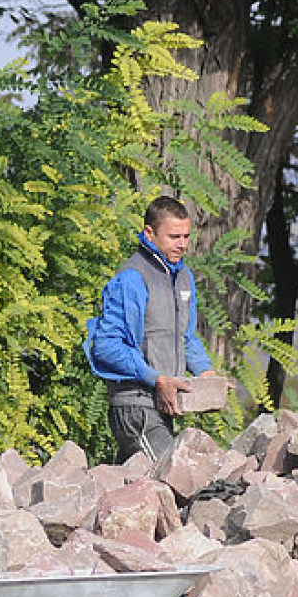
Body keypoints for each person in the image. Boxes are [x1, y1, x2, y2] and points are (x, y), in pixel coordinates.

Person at [85, 195, 222, 463]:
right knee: (174, 477)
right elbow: (105, 345)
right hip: (135, 408)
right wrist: (157, 379)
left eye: (185, 236)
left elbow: (186, 337)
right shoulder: (132, 278)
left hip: (164, 408)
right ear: (149, 232)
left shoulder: (184, 278)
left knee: (135, 491)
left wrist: (207, 373)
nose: (182, 245)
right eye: (174, 237)